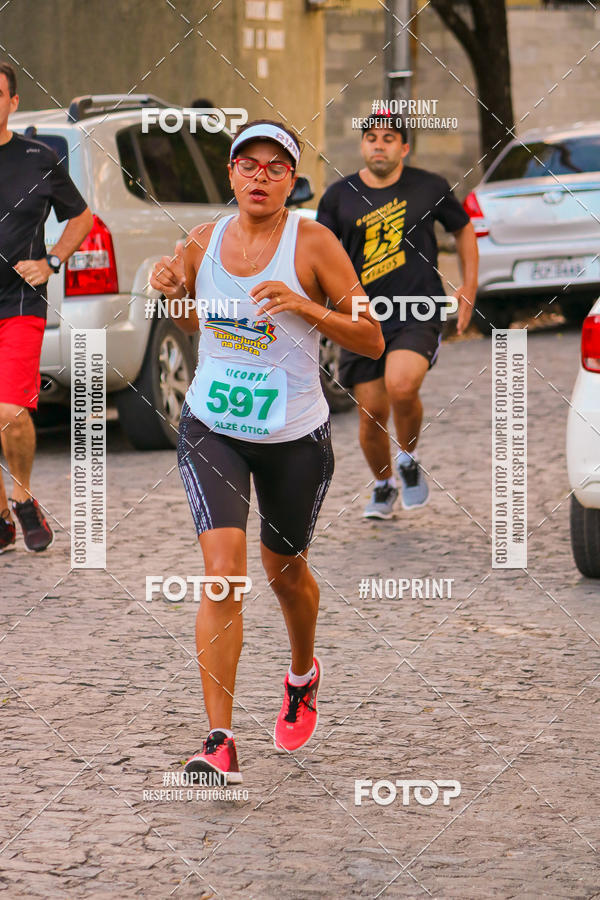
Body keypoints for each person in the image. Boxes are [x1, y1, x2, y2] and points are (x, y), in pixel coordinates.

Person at [150, 119, 383, 784]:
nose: (259, 177)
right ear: (231, 176)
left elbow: (370, 340)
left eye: (274, 167)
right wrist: (175, 294)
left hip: (294, 438)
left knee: (285, 574)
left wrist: (305, 306)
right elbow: (201, 322)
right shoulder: (202, 242)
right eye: (247, 166)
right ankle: (218, 740)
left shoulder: (314, 244)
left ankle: (303, 674)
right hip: (213, 427)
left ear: (292, 178)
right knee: (223, 572)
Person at [317, 116, 478, 519]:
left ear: (404, 148)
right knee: (371, 413)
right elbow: (318, 251)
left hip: (417, 309)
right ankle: (386, 484)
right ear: (362, 146)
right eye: (371, 138)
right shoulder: (339, 196)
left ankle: (408, 456)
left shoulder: (430, 187)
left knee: (401, 386)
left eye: (389, 139)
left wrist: (469, 287)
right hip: (360, 316)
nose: (379, 146)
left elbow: (463, 230)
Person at [0, 62, 92, 553]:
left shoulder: (39, 157)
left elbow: (81, 216)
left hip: (18, 302)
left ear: (12, 102)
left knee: (10, 410)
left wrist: (51, 261)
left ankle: (23, 498)